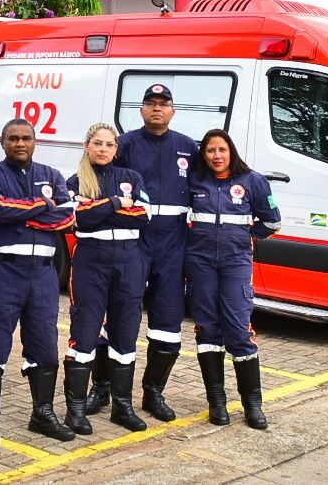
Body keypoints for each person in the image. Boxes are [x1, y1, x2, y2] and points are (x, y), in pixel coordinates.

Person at [0, 118, 76, 449]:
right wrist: (45, 208)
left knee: (45, 344)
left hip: (43, 273)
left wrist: (25, 213)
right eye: (13, 138)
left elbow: (70, 215)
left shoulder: (52, 175)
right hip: (5, 270)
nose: (20, 143)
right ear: (3, 143)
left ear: (35, 141)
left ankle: (42, 415)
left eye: (26, 138)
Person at [109, 83, 197, 422]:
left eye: (163, 103)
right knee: (121, 314)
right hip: (134, 240)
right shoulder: (125, 144)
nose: (156, 108)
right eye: (150, 103)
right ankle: (108, 391)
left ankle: (154, 392)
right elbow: (99, 177)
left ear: (173, 111)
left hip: (173, 244)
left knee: (167, 321)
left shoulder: (188, 148)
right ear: (141, 110)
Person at [184, 128, 280, 429]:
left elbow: (272, 221)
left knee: (239, 330)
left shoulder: (253, 181)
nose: (216, 156)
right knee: (208, 329)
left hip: (235, 263)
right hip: (199, 262)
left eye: (221, 150)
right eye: (210, 151)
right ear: (204, 154)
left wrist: (245, 238)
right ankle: (217, 402)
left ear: (231, 152)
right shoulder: (194, 181)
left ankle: (253, 405)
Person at [62, 123, 149, 435]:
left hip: (129, 261)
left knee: (125, 334)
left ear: (116, 148)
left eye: (109, 144)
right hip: (90, 261)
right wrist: (115, 204)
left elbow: (143, 214)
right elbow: (77, 217)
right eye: (97, 143)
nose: (103, 149)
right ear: (87, 146)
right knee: (84, 334)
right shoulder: (74, 181)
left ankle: (122, 407)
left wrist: (98, 209)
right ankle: (75, 410)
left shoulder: (131, 178)